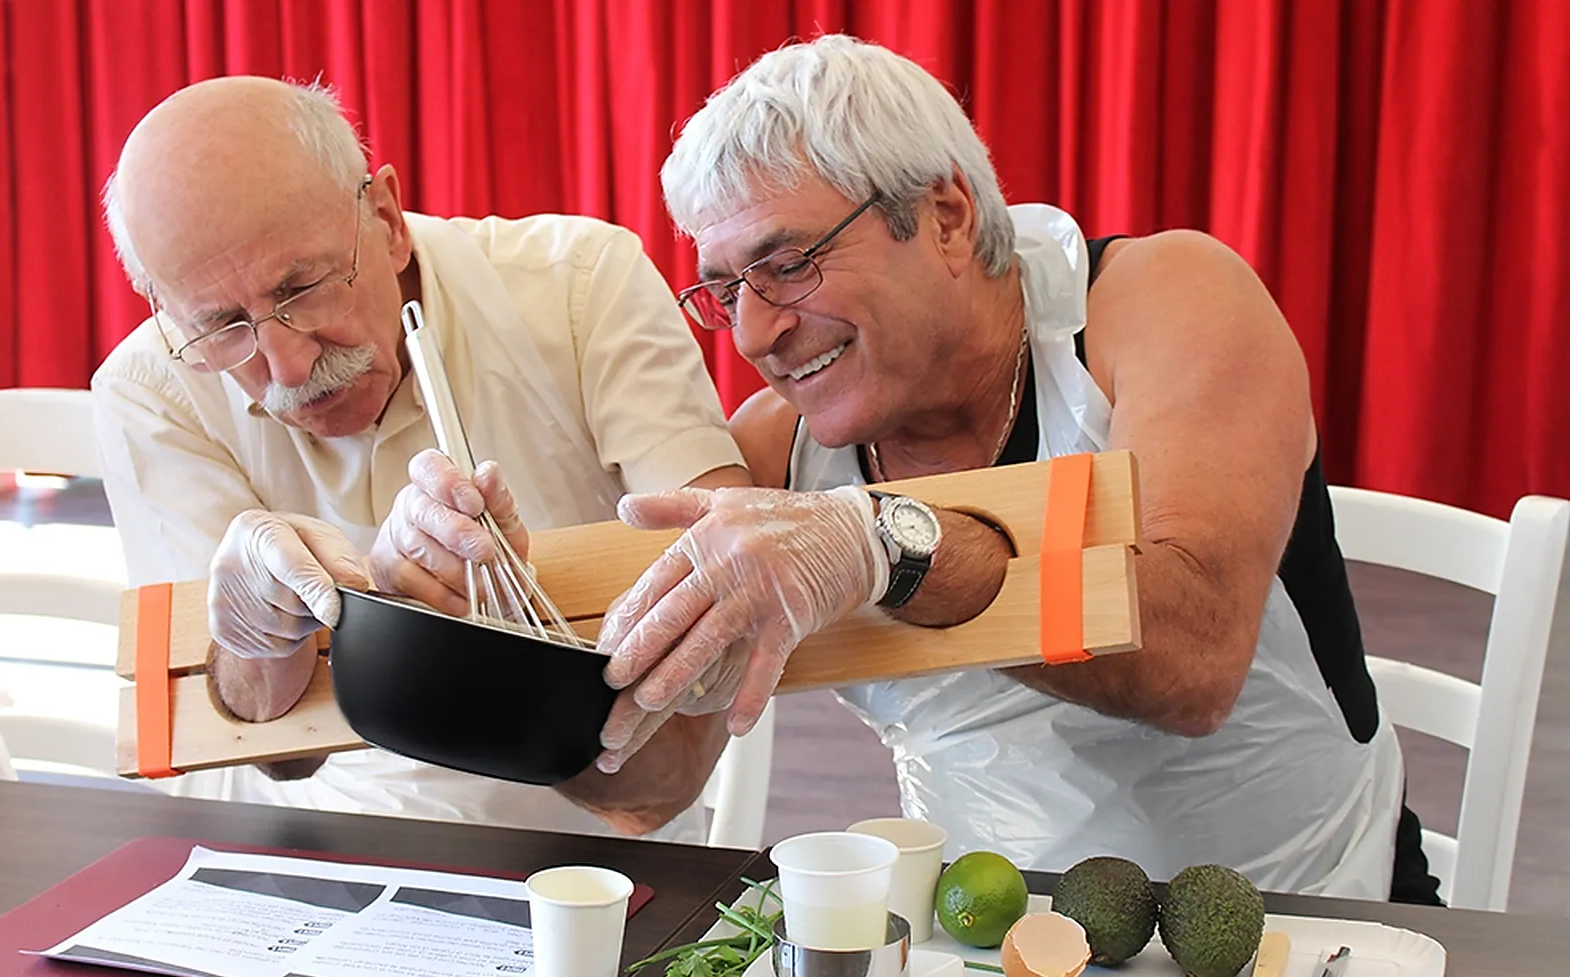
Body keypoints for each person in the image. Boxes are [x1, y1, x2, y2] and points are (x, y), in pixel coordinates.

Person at [591, 35, 1440, 902]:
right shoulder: (775, 449)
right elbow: (648, 783)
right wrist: (477, 618)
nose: (753, 336)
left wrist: (887, 547)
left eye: (788, 265)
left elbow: (1194, 665)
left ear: (948, 217)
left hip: (1312, 926)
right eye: (727, 292)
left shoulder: (1160, 303)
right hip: (983, 951)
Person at [92, 75, 751, 841]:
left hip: (585, 858)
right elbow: (256, 737)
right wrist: (255, 640)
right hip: (300, 851)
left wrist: (498, 643)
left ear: (386, 217)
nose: (289, 366)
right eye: (222, 327)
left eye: (302, 287)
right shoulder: (150, 389)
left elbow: (710, 660)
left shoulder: (583, 289)